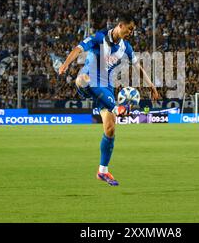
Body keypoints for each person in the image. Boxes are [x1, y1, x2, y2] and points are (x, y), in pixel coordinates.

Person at [58, 13, 160, 186]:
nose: (131, 33)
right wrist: (65, 64)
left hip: (107, 89)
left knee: (110, 129)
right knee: (82, 80)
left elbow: (138, 67)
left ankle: (102, 171)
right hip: (89, 80)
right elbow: (78, 49)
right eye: (130, 29)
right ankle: (116, 107)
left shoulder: (126, 47)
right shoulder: (99, 37)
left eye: (133, 30)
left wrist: (152, 86)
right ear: (120, 25)